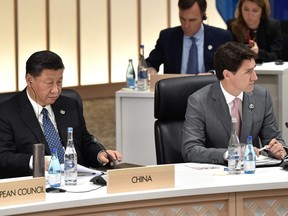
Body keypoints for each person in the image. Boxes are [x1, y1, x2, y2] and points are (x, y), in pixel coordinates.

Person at [0, 50, 122, 178]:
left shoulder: (69, 104)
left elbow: (84, 142)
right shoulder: (7, 112)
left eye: (59, 82)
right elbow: (3, 157)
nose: (56, 90)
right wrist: (38, 161)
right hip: (33, 185)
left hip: (75, 180)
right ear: (30, 80)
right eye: (49, 83)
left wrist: (99, 154)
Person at [181, 41, 287, 165]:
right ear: (227, 75)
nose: (255, 77)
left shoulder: (262, 97)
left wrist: (280, 150)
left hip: (252, 173)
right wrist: (230, 154)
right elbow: (190, 150)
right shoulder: (199, 101)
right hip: (216, 174)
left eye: (254, 70)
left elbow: (274, 140)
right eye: (248, 72)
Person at [145, 0, 232, 75]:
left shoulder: (221, 37)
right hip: (175, 92)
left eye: (192, 20)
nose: (186, 25)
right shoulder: (167, 37)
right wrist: (150, 69)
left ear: (203, 16)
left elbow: (232, 67)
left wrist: (212, 74)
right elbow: (148, 63)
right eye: (182, 19)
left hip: (209, 91)